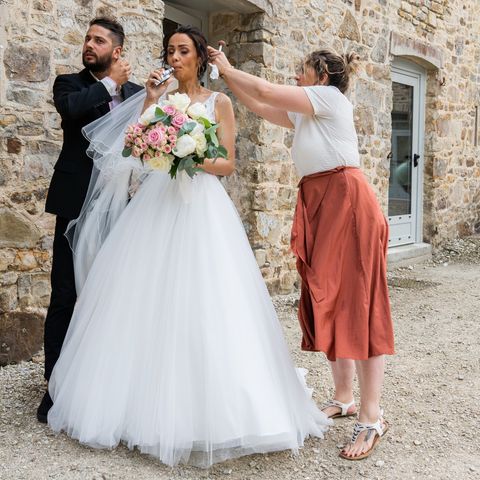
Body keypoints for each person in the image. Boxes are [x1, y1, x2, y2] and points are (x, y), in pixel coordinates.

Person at [46, 25, 329, 467]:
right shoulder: (157, 98)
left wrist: (189, 156)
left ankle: (210, 410)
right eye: (170, 51)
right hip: (156, 204)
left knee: (205, 297)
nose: (174, 57)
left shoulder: (219, 103)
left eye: (183, 51)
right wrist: (153, 114)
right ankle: (134, 403)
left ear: (199, 58)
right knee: (142, 296)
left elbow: (228, 164)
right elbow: (135, 150)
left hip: (201, 206)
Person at [209, 47, 394, 460]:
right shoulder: (307, 111)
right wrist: (227, 79)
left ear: (322, 74)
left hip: (345, 201)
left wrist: (227, 66)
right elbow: (258, 102)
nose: (296, 76)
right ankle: (345, 397)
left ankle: (371, 416)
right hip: (320, 201)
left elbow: (266, 90)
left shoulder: (330, 99)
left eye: (302, 70)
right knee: (326, 295)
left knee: (360, 303)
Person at [38, 17, 143, 424]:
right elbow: (71, 113)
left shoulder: (137, 94)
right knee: (66, 294)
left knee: (112, 295)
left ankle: (102, 387)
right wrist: (108, 85)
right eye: (87, 38)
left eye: (98, 40)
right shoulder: (70, 84)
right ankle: (54, 389)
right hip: (74, 203)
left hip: (120, 208)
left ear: (116, 50)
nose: (89, 44)